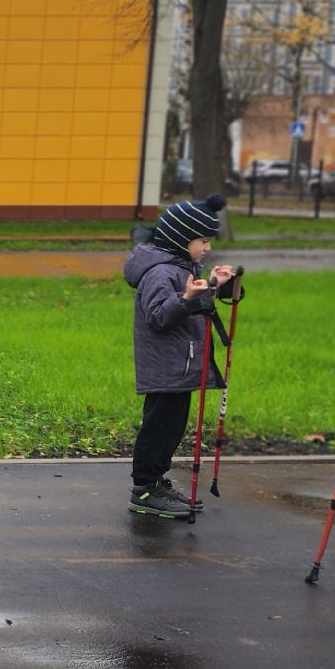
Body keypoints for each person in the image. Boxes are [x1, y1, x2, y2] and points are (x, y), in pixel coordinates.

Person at [122, 193, 237, 519]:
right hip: (165, 368)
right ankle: (144, 489)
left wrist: (215, 285)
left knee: (171, 430)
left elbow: (191, 298)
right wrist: (186, 297)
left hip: (179, 366)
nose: (207, 248)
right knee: (158, 430)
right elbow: (159, 315)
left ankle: (156, 482)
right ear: (180, 238)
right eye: (203, 240)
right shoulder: (160, 273)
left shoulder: (180, 267)